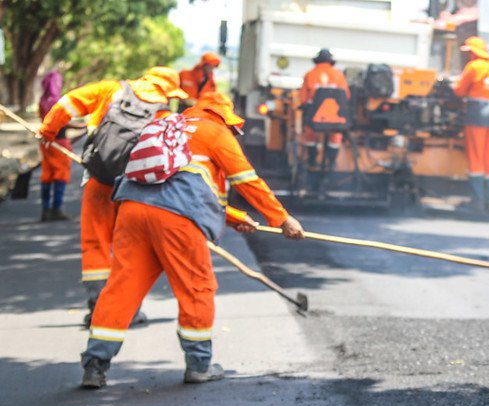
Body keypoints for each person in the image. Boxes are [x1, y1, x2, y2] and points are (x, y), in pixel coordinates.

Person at [78, 91, 305, 389]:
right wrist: (283, 219)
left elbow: (179, 182)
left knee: (121, 288)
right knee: (197, 288)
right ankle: (199, 364)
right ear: (225, 116)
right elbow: (247, 181)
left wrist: (234, 217)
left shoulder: (167, 125)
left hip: (132, 211)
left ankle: (95, 365)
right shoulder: (216, 132)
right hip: (177, 221)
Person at [38, 67, 188, 327]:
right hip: (136, 188)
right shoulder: (165, 114)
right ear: (167, 91)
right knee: (129, 248)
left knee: (95, 242)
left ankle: (98, 306)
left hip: (99, 179)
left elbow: (66, 104)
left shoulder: (111, 90)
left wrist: (48, 132)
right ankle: (127, 309)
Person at [452, 36, 489, 212]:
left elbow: (459, 91)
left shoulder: (474, 67)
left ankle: (477, 200)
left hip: (476, 117)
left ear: (473, 52)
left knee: (476, 157)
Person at [299, 48, 350, 170]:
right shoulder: (339, 75)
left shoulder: (309, 75)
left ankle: (312, 159)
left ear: (317, 61)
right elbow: (346, 96)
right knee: (336, 135)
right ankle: (331, 162)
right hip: (335, 120)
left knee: (309, 133)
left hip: (315, 120)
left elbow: (303, 99)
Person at [37, 71, 74, 221]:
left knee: (47, 174)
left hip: (45, 142)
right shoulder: (59, 102)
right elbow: (63, 122)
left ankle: (45, 210)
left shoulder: (42, 101)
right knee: (61, 174)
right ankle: (56, 209)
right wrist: (82, 126)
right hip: (59, 142)